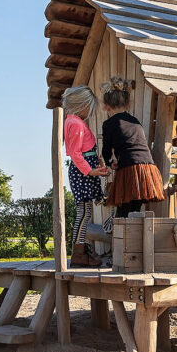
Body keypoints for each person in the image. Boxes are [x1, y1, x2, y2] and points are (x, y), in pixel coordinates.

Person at [101, 77, 166, 218]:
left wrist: (110, 163)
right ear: (127, 103)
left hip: (129, 169)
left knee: (123, 215)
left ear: (106, 105)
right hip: (148, 169)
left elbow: (106, 151)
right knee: (135, 211)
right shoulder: (135, 121)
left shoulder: (108, 124)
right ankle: (137, 238)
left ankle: (122, 239)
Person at [62, 85, 109, 267]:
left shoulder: (73, 122)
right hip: (82, 173)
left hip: (84, 171)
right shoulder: (75, 124)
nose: (89, 112)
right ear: (81, 105)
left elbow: (83, 151)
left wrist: (95, 166)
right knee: (83, 212)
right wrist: (90, 171)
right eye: (88, 107)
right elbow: (75, 153)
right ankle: (78, 252)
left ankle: (79, 250)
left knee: (85, 211)